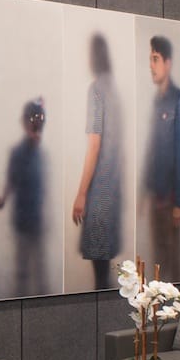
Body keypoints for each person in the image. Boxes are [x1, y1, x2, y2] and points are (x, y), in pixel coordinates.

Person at [72, 34, 123, 290]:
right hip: (114, 191)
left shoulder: (97, 90)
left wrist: (81, 194)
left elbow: (94, 144)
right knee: (105, 269)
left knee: (100, 276)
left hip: (99, 190)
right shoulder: (114, 91)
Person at [141, 36, 180, 279]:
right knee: (158, 266)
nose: (151, 65)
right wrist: (144, 191)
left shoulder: (179, 101)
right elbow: (151, 149)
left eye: (155, 59)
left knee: (174, 265)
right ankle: (159, 318)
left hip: (171, 202)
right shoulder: (155, 101)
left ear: (168, 63)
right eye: (150, 59)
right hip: (155, 198)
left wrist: (179, 204)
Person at [0, 98, 47, 297]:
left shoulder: (42, 154)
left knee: (40, 274)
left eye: (39, 120)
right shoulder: (18, 153)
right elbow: (10, 182)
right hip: (23, 221)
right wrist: (0, 200)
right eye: (31, 120)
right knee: (23, 273)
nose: (35, 124)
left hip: (37, 222)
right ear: (24, 123)